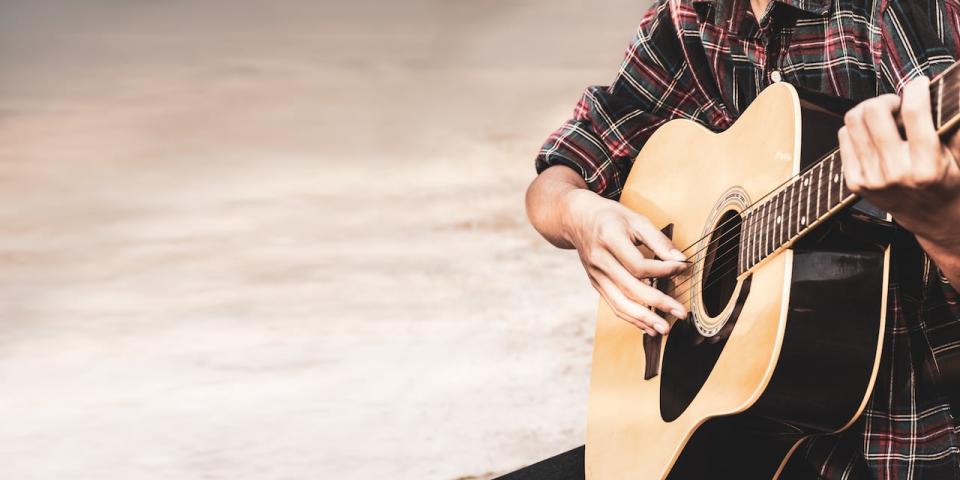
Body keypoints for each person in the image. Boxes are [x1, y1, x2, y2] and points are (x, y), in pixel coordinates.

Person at [522, 0, 960, 477]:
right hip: (742, 433)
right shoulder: (692, 15)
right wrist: (577, 215)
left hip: (909, 447)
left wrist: (942, 225)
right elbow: (560, 177)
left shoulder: (896, 12)